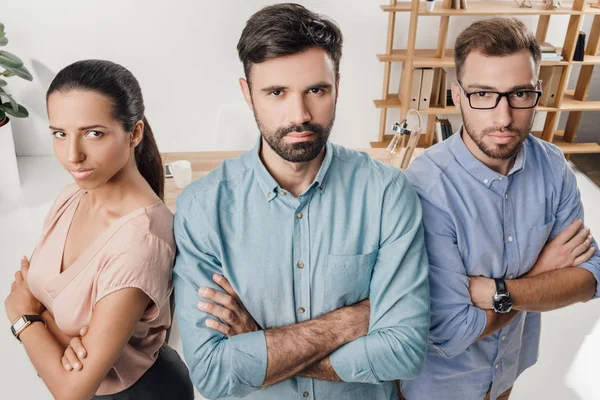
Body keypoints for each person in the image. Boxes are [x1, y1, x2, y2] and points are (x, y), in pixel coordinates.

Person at [173, 3, 430, 399]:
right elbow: (213, 374)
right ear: (247, 94)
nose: (300, 114)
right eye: (276, 92)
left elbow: (403, 352)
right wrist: (348, 322)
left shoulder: (386, 193)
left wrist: (262, 346)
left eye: (316, 90)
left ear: (337, 86)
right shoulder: (202, 209)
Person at [402, 18, 600, 400]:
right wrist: (540, 275)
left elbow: (591, 275)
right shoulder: (425, 189)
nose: (503, 117)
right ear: (457, 95)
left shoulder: (553, 166)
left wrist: (496, 291)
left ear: (537, 91)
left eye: (520, 94)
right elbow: (450, 331)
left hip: (508, 370)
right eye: (483, 94)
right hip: (439, 387)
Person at [4, 60, 194, 400]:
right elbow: (38, 290)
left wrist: (24, 319)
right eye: (60, 134)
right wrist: (53, 336)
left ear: (133, 133)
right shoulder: (73, 194)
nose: (73, 155)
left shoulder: (142, 241)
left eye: (94, 133)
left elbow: (73, 389)